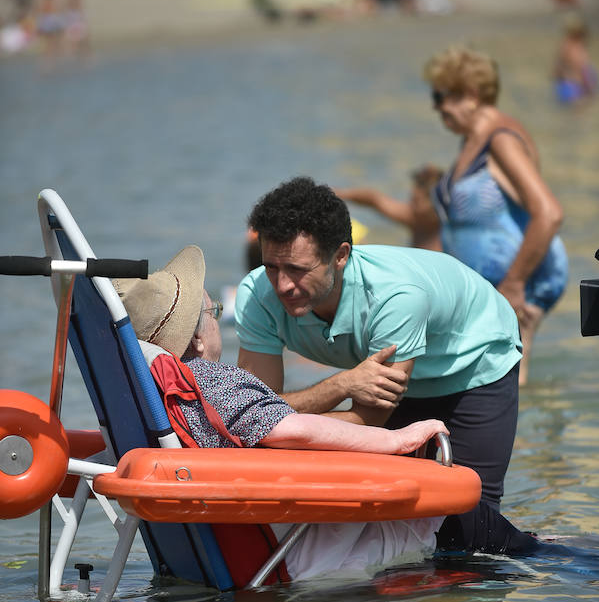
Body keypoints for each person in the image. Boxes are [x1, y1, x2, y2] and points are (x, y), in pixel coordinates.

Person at [235, 175, 542, 556]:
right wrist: (341, 384)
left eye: (297, 269)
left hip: (474, 361)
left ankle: (554, 559)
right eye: (271, 267)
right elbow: (251, 414)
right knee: (389, 515)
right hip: (379, 378)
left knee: (466, 531)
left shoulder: (395, 296)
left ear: (341, 255)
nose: (281, 285)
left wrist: (308, 408)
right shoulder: (255, 295)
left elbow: (367, 422)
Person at [113, 245, 449, 584]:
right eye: (213, 311)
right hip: (288, 551)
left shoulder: (145, 393)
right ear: (198, 338)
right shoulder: (209, 382)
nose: (217, 317)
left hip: (224, 552)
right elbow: (292, 431)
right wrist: (397, 438)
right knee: (455, 519)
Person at [423, 45, 569, 386]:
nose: (437, 109)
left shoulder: (501, 140)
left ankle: (533, 439)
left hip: (516, 287)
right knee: (484, 389)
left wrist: (514, 284)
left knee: (502, 389)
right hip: (489, 290)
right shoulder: (472, 140)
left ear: (470, 94)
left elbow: (548, 213)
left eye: (440, 97)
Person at [335, 164, 443, 251]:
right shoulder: (416, 217)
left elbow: (373, 199)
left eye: (417, 201)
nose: (411, 205)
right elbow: (373, 199)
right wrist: (340, 194)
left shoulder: (448, 222)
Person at [553, 13, 597, 106]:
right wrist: (590, 89)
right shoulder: (577, 50)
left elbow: (556, 70)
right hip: (576, 87)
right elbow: (582, 70)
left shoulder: (564, 46)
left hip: (564, 87)